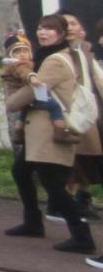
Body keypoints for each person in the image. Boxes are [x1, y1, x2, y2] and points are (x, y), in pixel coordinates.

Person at [6, 14, 96, 253]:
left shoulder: (55, 60)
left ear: (61, 34)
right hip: (41, 129)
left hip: (50, 130)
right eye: (40, 28)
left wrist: (12, 102)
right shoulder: (52, 55)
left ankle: (82, 236)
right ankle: (33, 222)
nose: (42, 32)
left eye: (49, 29)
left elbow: (36, 89)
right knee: (22, 171)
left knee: (53, 184)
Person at [58, 12, 103, 221]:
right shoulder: (57, 54)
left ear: (82, 29)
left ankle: (82, 197)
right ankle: (68, 202)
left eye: (73, 23)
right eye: (65, 24)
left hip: (89, 112)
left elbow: (97, 79)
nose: (69, 27)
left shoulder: (86, 51)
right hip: (65, 112)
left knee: (87, 157)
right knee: (71, 158)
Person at [0, 32, 67, 141]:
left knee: (24, 111)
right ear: (11, 55)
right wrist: (32, 77)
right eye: (17, 52)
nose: (22, 54)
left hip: (19, 98)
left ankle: (19, 131)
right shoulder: (18, 65)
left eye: (25, 51)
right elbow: (24, 73)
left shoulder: (13, 65)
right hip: (22, 96)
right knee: (54, 105)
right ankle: (61, 130)